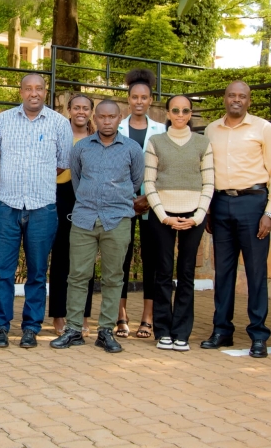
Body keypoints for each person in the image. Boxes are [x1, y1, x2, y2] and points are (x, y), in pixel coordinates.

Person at [51, 100, 143, 353]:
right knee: (77, 275)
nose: (106, 121)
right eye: (101, 116)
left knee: (114, 278)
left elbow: (136, 181)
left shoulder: (132, 149)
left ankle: (105, 331)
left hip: (117, 220)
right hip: (84, 219)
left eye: (111, 116)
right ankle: (73, 329)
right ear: (96, 117)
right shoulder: (81, 149)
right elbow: (77, 181)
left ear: (119, 118)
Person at [0, 74, 72, 349]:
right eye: (28, 88)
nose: (33, 93)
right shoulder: (2, 120)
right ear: (20, 91)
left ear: (45, 91)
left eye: (39, 88)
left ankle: (31, 328)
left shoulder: (60, 124)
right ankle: (0, 326)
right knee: (2, 270)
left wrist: (39, 178)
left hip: (43, 208)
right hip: (7, 206)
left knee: (37, 271)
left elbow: (62, 164)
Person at [202, 81, 271, 358]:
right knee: (223, 273)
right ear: (224, 98)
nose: (236, 100)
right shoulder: (212, 129)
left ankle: (258, 334)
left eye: (242, 96)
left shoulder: (263, 128)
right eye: (232, 95)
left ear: (249, 101)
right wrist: (211, 209)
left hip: (254, 203)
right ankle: (222, 331)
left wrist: (270, 212)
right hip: (222, 203)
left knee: (256, 273)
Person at [144, 95, 214, 351]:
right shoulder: (156, 142)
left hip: (193, 215)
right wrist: (163, 215)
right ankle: (163, 329)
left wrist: (197, 216)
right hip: (162, 214)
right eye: (176, 110)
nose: (181, 114)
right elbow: (149, 182)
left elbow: (209, 183)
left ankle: (182, 331)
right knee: (162, 272)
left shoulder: (202, 143)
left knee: (186, 274)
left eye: (185, 110)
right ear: (168, 114)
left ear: (190, 113)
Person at [117, 70, 167, 340]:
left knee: (152, 260)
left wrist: (148, 197)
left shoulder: (162, 130)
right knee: (121, 259)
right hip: (123, 203)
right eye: (134, 97)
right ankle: (121, 314)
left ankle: (148, 317)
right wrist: (130, 199)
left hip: (152, 203)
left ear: (151, 100)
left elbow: (164, 167)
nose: (139, 101)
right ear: (128, 99)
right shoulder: (118, 127)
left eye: (144, 97)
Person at [48, 94, 96, 337]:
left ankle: (83, 315)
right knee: (61, 260)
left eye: (85, 108)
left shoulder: (96, 139)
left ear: (90, 112)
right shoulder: (59, 134)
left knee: (85, 262)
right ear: (69, 109)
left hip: (87, 201)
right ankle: (58, 315)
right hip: (60, 198)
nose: (80, 111)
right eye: (76, 107)